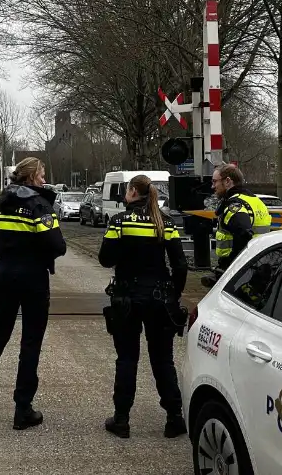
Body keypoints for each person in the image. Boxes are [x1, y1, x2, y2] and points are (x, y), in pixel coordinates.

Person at [0, 157, 66, 430]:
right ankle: (23, 410)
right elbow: (57, 246)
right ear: (31, 176)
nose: (44, 180)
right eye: (42, 175)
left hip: (4, 275)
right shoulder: (39, 206)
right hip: (33, 279)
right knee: (30, 342)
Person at [98, 174, 189, 439]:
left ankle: (122, 419)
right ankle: (174, 418)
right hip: (160, 298)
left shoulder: (119, 222)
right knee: (163, 360)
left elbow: (105, 259)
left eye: (127, 190)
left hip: (127, 297)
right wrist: (174, 294)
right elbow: (180, 265)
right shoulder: (166, 223)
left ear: (133, 192)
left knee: (127, 359)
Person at [201, 163, 271, 286]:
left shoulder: (235, 205)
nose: (213, 186)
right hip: (257, 266)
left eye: (215, 181)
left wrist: (228, 268)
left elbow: (244, 233)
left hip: (238, 273)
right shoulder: (255, 201)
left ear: (227, 181)